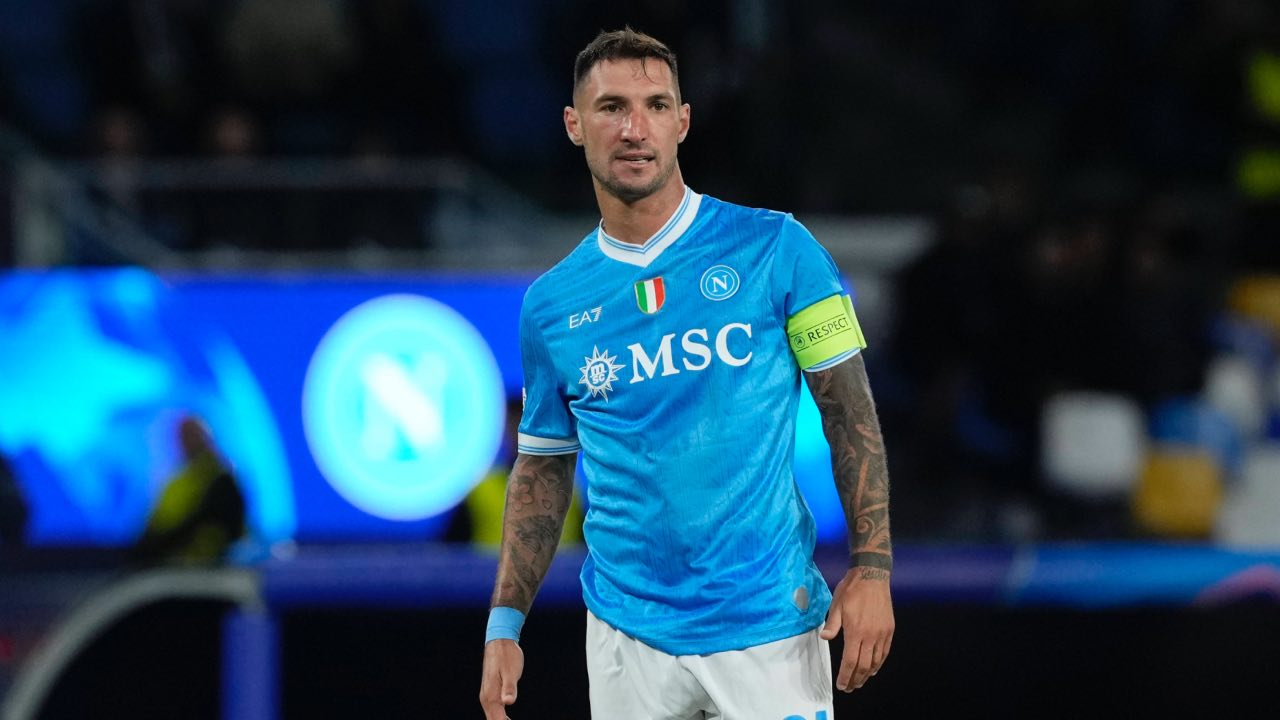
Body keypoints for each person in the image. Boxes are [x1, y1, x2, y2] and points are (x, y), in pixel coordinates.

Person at [480, 28, 895, 719]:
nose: (634, 128)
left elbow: (850, 412)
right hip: (626, 638)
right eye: (612, 107)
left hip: (769, 625)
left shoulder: (778, 247)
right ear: (574, 125)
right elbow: (544, 468)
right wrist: (505, 624)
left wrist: (872, 568)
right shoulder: (550, 306)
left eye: (655, 105)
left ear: (683, 121)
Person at [132, 414, 247, 566]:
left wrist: (156, 547)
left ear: (206, 438)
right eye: (183, 436)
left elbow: (202, 523)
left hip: (203, 564)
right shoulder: (177, 480)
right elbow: (156, 522)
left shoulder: (222, 480)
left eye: (192, 435)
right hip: (168, 561)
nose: (187, 441)